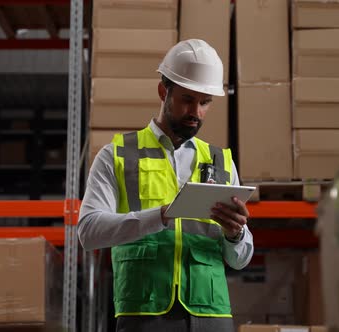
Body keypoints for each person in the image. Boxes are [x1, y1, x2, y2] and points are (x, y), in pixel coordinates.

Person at [78, 39, 254, 332]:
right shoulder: (117, 154)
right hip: (143, 312)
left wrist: (235, 235)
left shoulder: (221, 161)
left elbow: (240, 261)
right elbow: (88, 232)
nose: (195, 112)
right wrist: (159, 216)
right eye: (187, 99)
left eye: (205, 102)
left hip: (212, 314)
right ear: (164, 91)